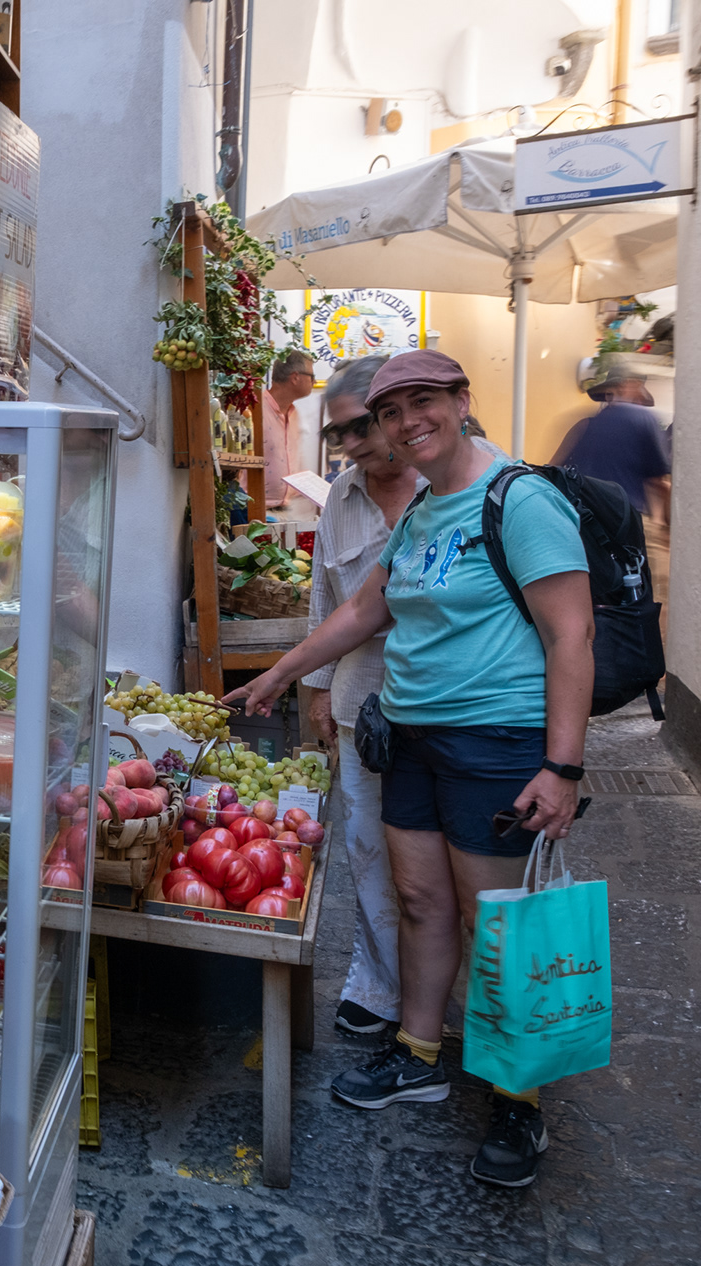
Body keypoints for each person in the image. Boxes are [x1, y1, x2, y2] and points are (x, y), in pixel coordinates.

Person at [226, 349, 594, 1190]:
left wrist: (562, 766)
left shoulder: (521, 499)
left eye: (423, 402)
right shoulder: (427, 507)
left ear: (463, 402)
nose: (406, 423)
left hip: (495, 743)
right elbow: (366, 608)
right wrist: (284, 674)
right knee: (421, 900)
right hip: (413, 740)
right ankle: (418, 1052)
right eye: (393, 412)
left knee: (493, 921)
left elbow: (572, 635)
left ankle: (517, 1101)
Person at [301, 355, 420, 1039]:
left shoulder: (459, 485)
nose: (348, 446)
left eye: (355, 428)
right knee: (368, 854)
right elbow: (326, 601)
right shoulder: (341, 499)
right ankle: (378, 986)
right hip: (361, 706)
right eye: (337, 435)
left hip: (450, 712)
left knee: (438, 875)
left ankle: (455, 998)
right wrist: (318, 693)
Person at [556, 354, 671, 610]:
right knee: (638, 595)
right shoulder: (645, 419)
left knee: (591, 592)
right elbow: (657, 480)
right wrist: (663, 524)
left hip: (582, 522)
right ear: (628, 386)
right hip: (627, 522)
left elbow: (551, 470)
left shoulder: (583, 424)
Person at [262, 349, 314, 510]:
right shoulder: (255, 409)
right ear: (295, 377)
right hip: (254, 511)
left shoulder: (294, 414)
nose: (314, 381)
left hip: (285, 511)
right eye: (312, 376)